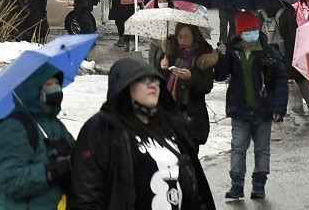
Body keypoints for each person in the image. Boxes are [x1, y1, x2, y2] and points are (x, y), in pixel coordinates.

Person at [70, 57, 215, 210]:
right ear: (125, 86)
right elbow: (87, 195)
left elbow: (196, 187)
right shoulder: (103, 129)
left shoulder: (171, 126)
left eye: (155, 79)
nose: (152, 84)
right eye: (142, 79)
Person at [213, 11, 288, 201]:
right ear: (239, 33)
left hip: (263, 111)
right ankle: (236, 186)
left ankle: (259, 186)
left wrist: (279, 107)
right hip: (240, 110)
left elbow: (280, 79)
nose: (251, 34)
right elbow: (220, 75)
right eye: (247, 31)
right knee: (238, 148)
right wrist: (220, 56)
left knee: (262, 150)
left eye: (254, 29)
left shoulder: (269, 52)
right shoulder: (232, 51)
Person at [0, 64, 73, 209]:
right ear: (33, 89)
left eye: (57, 84)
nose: (55, 89)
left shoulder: (55, 124)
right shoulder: (12, 128)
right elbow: (10, 181)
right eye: (48, 84)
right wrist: (51, 171)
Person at [154, 24, 217, 154]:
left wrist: (191, 77)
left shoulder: (202, 58)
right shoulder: (169, 54)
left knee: (189, 161)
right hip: (169, 116)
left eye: (186, 37)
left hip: (191, 118)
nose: (182, 40)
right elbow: (157, 84)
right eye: (180, 37)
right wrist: (162, 68)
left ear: (194, 37)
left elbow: (206, 86)